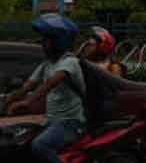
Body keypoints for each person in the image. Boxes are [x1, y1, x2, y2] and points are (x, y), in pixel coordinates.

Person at [2, 14, 86, 163]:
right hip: (51, 121)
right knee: (20, 142)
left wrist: (27, 102)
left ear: (59, 40)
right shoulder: (47, 64)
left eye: (47, 39)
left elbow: (50, 84)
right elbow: (27, 86)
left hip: (71, 123)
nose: (42, 43)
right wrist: (8, 99)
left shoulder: (70, 62)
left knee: (40, 145)